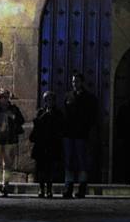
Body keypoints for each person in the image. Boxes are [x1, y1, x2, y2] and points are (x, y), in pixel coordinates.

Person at [62, 70, 98, 198]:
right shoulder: (68, 96)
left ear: (82, 82)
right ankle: (68, 186)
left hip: (82, 134)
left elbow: (92, 117)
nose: (74, 84)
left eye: (76, 81)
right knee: (69, 161)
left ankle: (82, 187)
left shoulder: (89, 98)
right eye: (73, 81)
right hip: (69, 134)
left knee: (82, 160)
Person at [0, 88, 25, 196]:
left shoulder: (13, 108)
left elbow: (21, 120)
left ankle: (5, 186)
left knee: (7, 165)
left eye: (6, 97)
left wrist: (12, 116)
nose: (4, 99)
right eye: (1, 97)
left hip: (9, 140)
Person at [30, 90, 64, 198]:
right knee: (40, 169)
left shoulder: (58, 113)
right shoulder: (40, 112)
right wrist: (45, 114)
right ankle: (41, 189)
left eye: (51, 100)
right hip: (41, 144)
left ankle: (49, 190)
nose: (49, 102)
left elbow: (60, 125)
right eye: (47, 100)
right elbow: (37, 122)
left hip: (52, 144)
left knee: (50, 169)